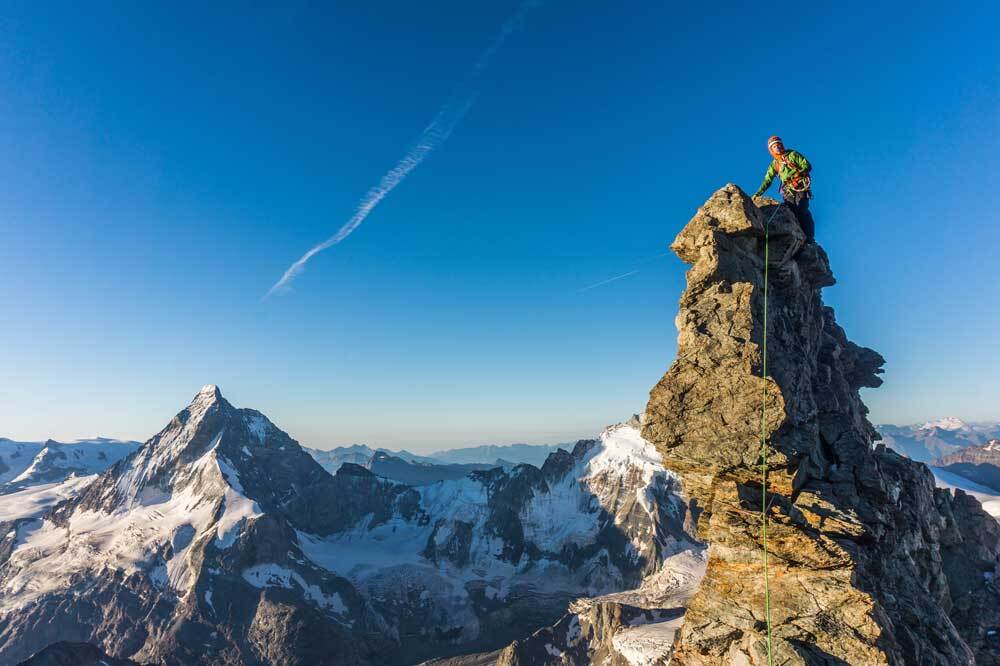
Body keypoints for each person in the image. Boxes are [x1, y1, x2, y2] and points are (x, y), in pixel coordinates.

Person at [753, 136, 815, 242]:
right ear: (771, 150)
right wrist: (758, 194)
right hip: (788, 191)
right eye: (774, 146)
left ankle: (809, 238)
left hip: (800, 186)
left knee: (802, 210)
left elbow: (807, 166)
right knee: (792, 212)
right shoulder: (775, 165)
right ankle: (799, 237)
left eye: (778, 145)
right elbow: (767, 181)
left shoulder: (792, 155)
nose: (777, 147)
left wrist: (795, 174)